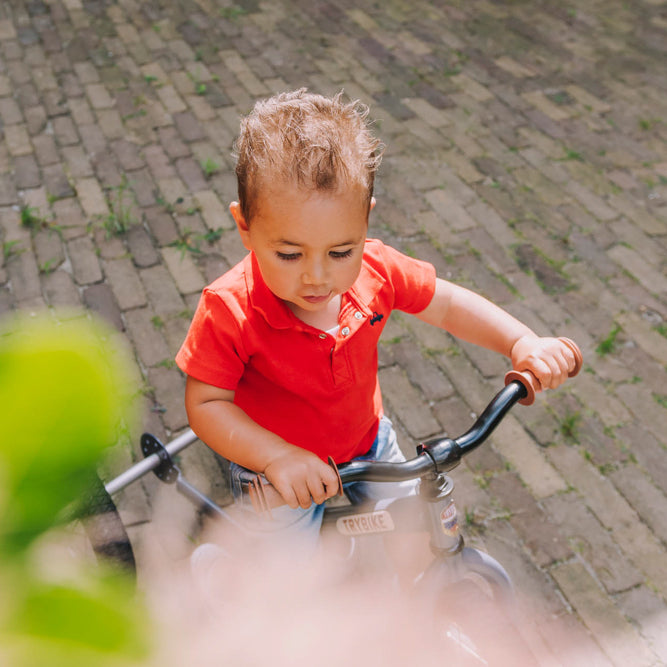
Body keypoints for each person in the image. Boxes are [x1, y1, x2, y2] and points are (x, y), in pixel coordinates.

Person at [175, 88, 577, 554]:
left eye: (341, 251)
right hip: (277, 469)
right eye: (288, 253)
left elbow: (446, 305)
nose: (316, 275)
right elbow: (206, 404)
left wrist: (520, 341)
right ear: (244, 226)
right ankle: (225, 570)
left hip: (366, 441)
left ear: (365, 221)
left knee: (417, 534)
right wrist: (277, 456)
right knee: (291, 581)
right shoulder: (230, 309)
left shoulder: (377, 269)